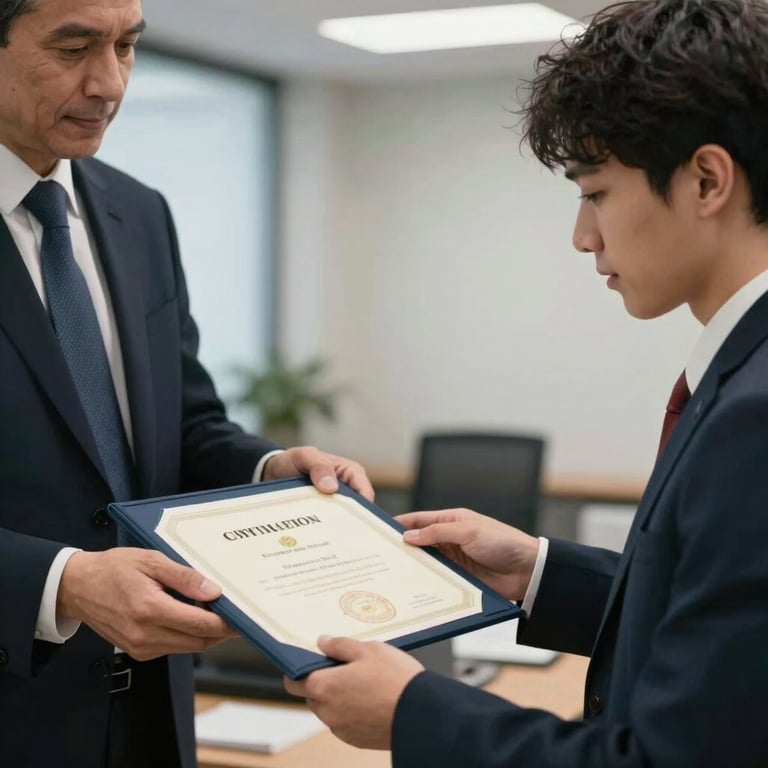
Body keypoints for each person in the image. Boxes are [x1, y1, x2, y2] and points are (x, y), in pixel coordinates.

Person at [285, 1, 768, 765]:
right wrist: (540, 573)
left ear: (706, 179)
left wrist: (414, 712)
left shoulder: (755, 416)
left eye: (596, 191)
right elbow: (717, 627)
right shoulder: (744, 372)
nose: (583, 237)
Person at [0, 1, 374, 766]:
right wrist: (62, 582)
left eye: (128, 47)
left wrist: (270, 471)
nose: (109, 83)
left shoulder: (138, 212)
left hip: (154, 708)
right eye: (73, 47)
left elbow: (188, 425)